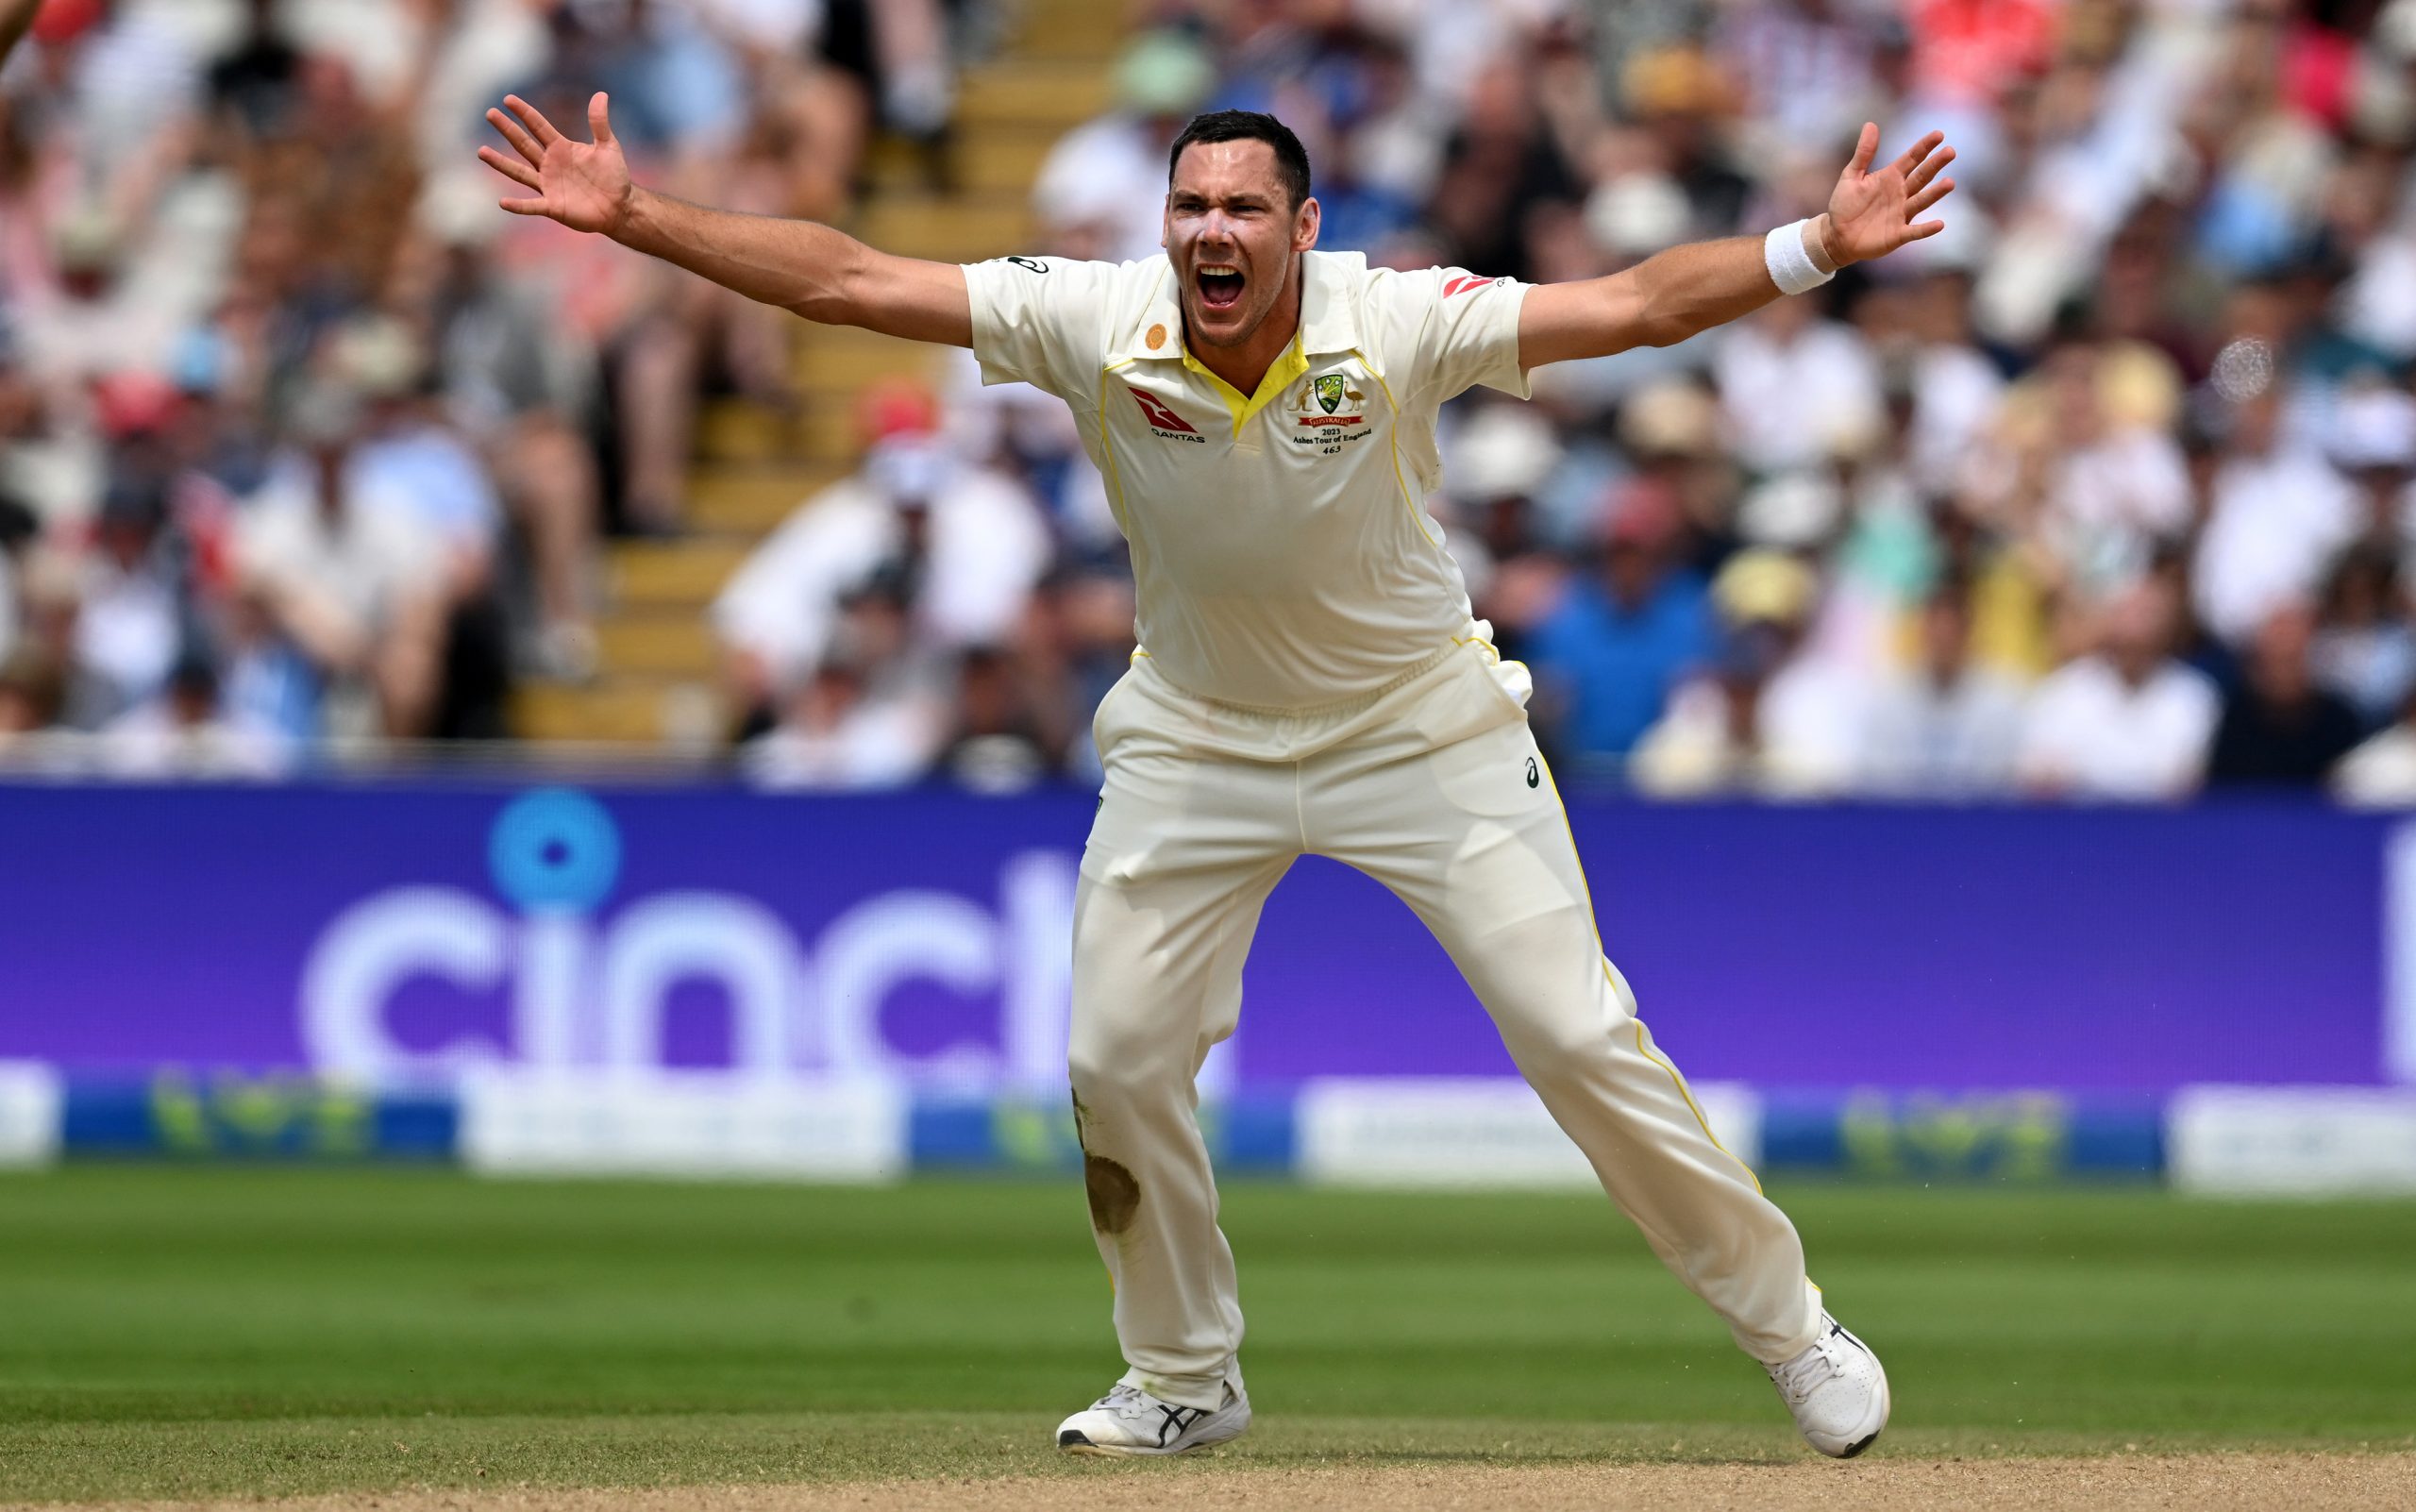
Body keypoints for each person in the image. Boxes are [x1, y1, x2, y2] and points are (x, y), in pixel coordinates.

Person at [482, 92, 1957, 1460]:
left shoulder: (1394, 319)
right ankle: (1185, 1374)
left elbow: (1630, 306)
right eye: (1189, 207)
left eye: (1244, 209)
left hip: (1421, 732)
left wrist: (1816, 245)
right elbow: (853, 280)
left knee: (1578, 1036)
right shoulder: (1096, 318)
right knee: (1114, 1062)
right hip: (1195, 740)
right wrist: (636, 218)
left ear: (1303, 229)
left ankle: (1793, 1330)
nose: (1210, 235)